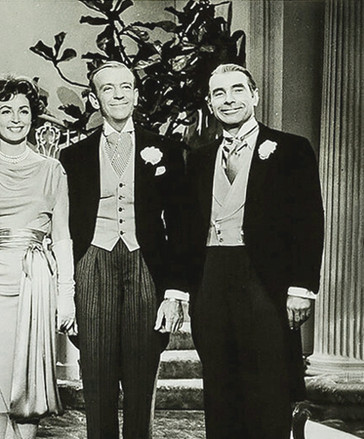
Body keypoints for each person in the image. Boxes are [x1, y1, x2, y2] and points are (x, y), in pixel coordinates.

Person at [185, 63, 324, 439]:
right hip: (212, 278)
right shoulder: (199, 157)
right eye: (219, 93)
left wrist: (302, 288)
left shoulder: (291, 149)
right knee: (219, 387)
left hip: (264, 279)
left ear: (255, 96)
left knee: (268, 385)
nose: (228, 100)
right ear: (210, 104)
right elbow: (187, 230)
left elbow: (309, 221)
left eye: (237, 90)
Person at [59, 60, 187, 439]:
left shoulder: (165, 150)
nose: (117, 95)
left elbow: (181, 225)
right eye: (107, 88)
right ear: (94, 99)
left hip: (145, 263)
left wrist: (174, 293)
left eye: (125, 87)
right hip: (93, 261)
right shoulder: (73, 156)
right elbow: (64, 227)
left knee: (142, 373)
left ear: (136, 94)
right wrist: (68, 289)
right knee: (96, 375)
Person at [0, 75, 76, 439]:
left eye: (23, 110)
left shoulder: (52, 169)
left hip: (36, 283)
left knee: (28, 386)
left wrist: (66, 295)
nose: (16, 118)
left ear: (33, 116)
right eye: (6, 110)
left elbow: (63, 236)